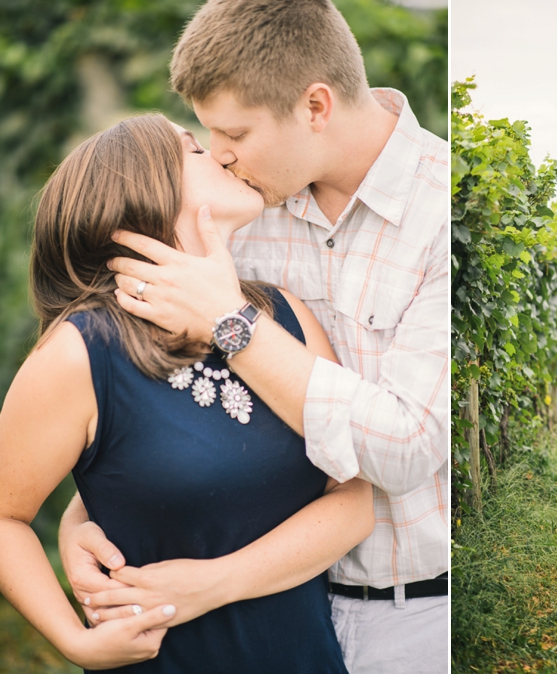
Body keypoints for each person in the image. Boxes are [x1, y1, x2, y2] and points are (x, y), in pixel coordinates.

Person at [59, 1, 449, 671]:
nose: (219, 154)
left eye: (233, 131)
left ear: (316, 107)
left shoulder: (442, 211)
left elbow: (410, 448)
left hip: (412, 618)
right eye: (206, 135)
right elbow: (174, 401)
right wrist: (87, 515)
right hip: (271, 614)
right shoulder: (244, 204)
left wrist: (233, 324)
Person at [0, 114, 375, 672]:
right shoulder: (79, 353)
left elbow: (355, 498)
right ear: (144, 189)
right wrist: (73, 640)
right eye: (194, 147)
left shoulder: (283, 316)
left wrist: (215, 584)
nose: (223, 154)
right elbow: (6, 516)